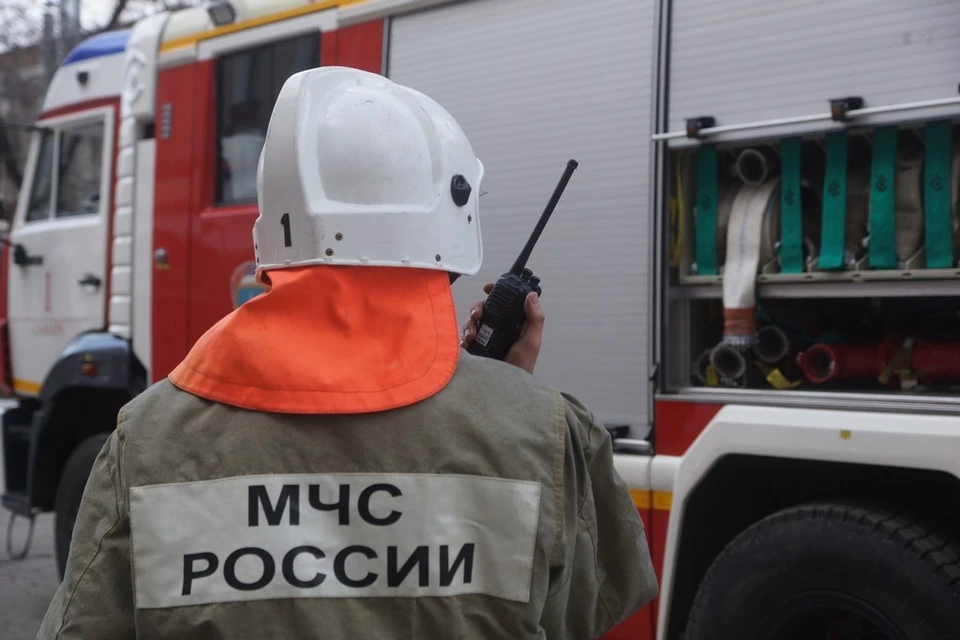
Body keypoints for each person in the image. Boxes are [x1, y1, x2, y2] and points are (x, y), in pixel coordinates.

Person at [37, 66, 657, 639]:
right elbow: (577, 615)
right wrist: (506, 406)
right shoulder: (545, 432)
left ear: (275, 230)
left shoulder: (149, 438)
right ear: (453, 220)